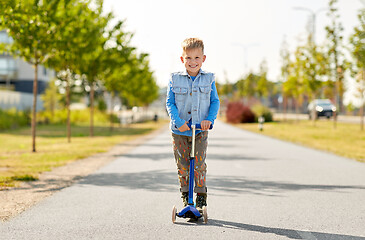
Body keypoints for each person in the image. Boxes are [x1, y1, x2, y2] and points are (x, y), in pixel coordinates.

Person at [166, 38, 220, 212]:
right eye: (188, 58)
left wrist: (209, 120)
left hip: (199, 131)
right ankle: (186, 198)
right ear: (182, 59)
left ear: (203, 59)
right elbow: (170, 103)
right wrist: (178, 122)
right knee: (182, 165)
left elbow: (215, 102)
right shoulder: (174, 79)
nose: (193, 62)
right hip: (179, 131)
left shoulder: (209, 79)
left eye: (197, 57)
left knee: (198, 164)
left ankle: (201, 197)